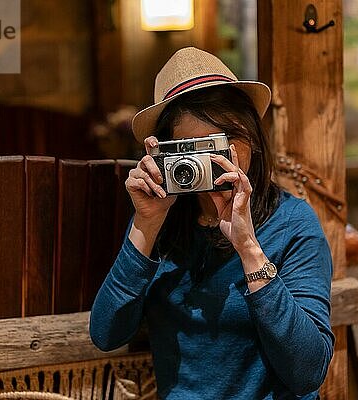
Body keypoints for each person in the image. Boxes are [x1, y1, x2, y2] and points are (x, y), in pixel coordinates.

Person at [90, 47, 334, 400]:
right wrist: (145, 226)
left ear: (252, 138)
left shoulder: (292, 224)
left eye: (224, 139)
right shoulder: (161, 219)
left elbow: (307, 371)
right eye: (196, 147)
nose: (215, 158)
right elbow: (106, 334)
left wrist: (248, 248)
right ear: (169, 153)